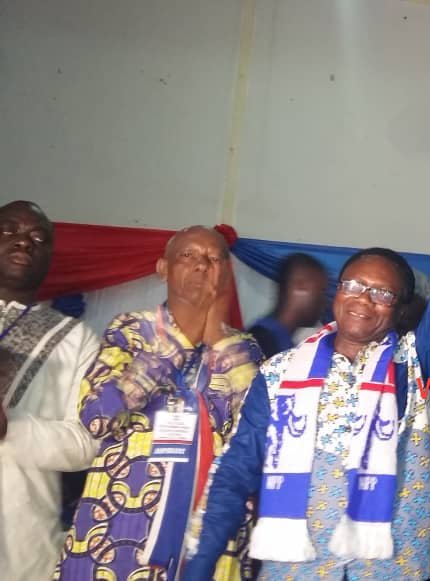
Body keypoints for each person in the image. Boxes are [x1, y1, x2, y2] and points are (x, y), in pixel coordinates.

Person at [182, 124, 430, 580]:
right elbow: (238, 466)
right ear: (336, 294)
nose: (364, 299)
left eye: (382, 294)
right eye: (354, 285)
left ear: (401, 309)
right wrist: (200, 563)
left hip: (395, 568)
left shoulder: (411, 365)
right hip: (299, 569)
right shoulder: (281, 372)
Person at [54, 226, 263, 580]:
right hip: (120, 522)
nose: (201, 265)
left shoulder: (245, 348)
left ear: (226, 273)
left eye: (214, 259)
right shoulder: (129, 330)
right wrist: (184, 337)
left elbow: (252, 434)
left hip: (207, 526)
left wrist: (216, 339)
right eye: (188, 255)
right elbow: (97, 417)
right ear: (163, 268)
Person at [0, 201, 101, 580]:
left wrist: (13, 428)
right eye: (9, 230)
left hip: (22, 543)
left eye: (37, 237)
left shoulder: (77, 339)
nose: (24, 242)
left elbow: (87, 443)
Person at [248, 252, 328, 358]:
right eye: (321, 291)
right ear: (300, 286)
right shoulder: (261, 343)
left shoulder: (279, 342)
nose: (324, 301)